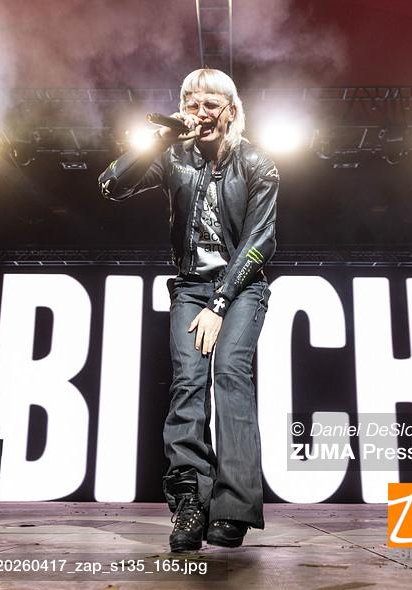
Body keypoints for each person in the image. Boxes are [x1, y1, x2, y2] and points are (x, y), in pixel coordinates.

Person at [98, 68, 279, 552]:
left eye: (210, 105)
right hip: (190, 287)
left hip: (241, 288)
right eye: (192, 104)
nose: (200, 114)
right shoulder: (174, 158)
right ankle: (190, 502)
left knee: (231, 374)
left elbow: (262, 240)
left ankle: (234, 508)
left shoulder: (257, 163)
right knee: (187, 384)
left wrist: (220, 302)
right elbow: (112, 185)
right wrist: (157, 142)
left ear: (231, 111)